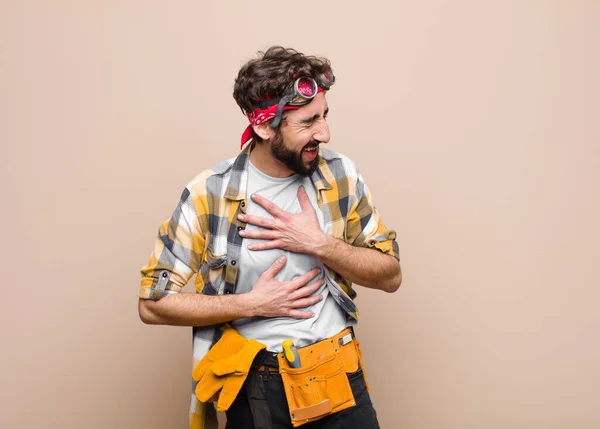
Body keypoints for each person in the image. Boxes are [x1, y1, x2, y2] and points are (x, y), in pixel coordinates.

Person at [138, 46, 402, 429]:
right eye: (307, 122)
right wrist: (250, 303)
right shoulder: (208, 194)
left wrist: (319, 243)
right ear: (263, 126)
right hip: (257, 382)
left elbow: (391, 276)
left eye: (324, 117)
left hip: (338, 372)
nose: (324, 133)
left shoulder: (341, 176)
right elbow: (152, 305)